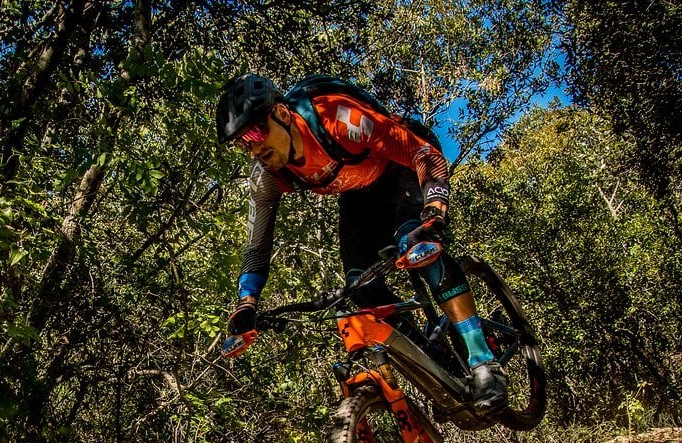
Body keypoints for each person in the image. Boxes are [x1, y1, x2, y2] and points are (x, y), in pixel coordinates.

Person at [215, 73, 507, 412]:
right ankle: (436, 359)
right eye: (242, 143)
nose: (253, 148)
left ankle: (483, 361)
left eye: (254, 132)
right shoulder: (268, 176)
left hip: (403, 166)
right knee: (360, 289)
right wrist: (246, 303)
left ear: (281, 113)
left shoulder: (336, 117)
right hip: (358, 195)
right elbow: (257, 245)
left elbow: (423, 154)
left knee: (418, 248)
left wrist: (433, 213)